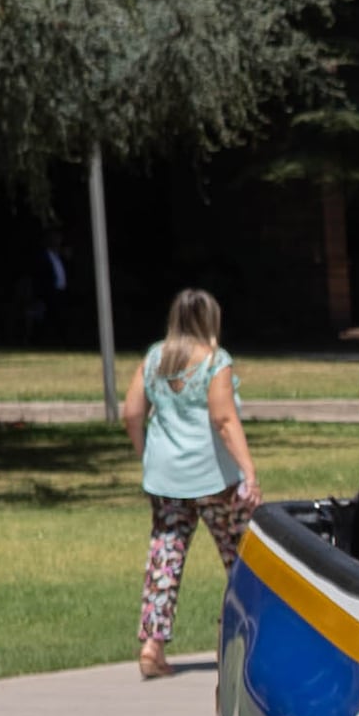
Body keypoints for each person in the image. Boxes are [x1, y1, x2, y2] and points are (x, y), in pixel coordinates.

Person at [130, 287, 256, 682]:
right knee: (240, 558)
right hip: (213, 478)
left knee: (165, 556)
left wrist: (146, 454)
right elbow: (224, 419)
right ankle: (251, 638)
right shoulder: (216, 362)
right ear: (210, 321)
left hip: (165, 477)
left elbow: (132, 412)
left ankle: (153, 644)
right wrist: (249, 471)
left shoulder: (154, 359)